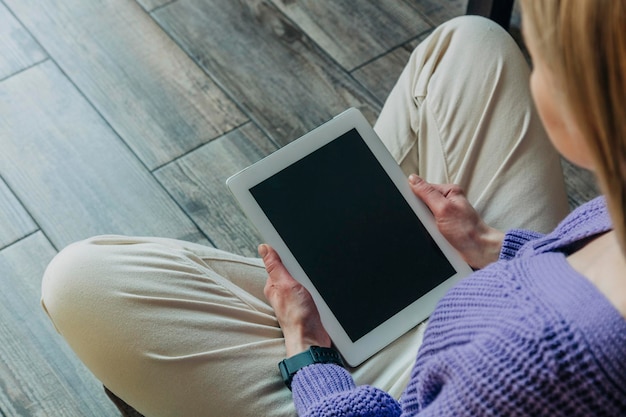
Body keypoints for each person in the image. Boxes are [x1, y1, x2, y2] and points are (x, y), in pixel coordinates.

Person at [41, 0, 626, 415]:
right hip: (496, 295)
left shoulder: (543, 369)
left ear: (587, 102)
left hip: (408, 387)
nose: (537, 70)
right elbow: (574, 260)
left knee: (79, 283)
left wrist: (309, 358)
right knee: (472, 43)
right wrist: (492, 245)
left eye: (545, 57)